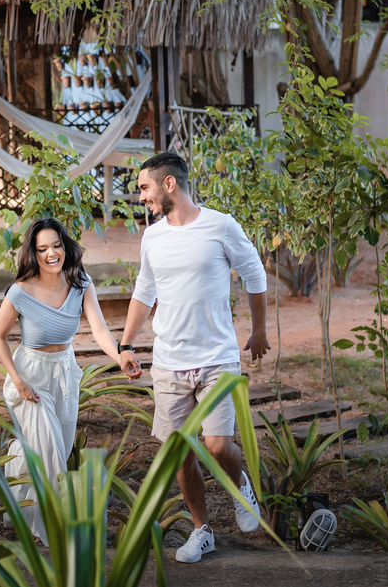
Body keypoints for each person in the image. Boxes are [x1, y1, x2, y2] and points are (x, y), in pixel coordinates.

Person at [116, 151, 270, 564]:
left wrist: (259, 330)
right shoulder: (153, 236)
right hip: (169, 361)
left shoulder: (219, 225)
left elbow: (254, 274)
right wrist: (126, 343)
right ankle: (203, 530)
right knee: (178, 453)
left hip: (217, 356)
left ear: (169, 184)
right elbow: (144, 290)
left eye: (145, 188)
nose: (141, 197)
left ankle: (241, 488)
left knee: (218, 446)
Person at [0, 217, 136, 544]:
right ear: (33, 253)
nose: (51, 254)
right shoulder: (21, 291)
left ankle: (22, 490)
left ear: (65, 247)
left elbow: (99, 330)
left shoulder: (81, 284)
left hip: (64, 374)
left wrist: (121, 355)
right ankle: (59, 531)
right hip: (30, 376)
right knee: (52, 453)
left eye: (56, 245)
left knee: (55, 448)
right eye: (42, 248)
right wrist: (17, 380)